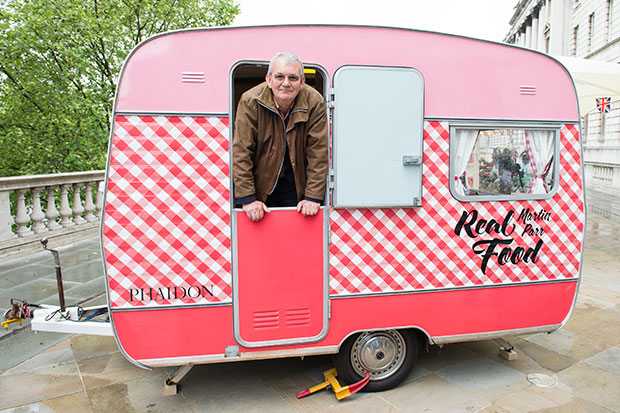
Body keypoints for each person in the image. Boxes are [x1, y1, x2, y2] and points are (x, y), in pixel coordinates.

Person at [232, 52, 328, 222]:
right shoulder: (250, 101)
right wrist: (247, 198)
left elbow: (318, 153)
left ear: (301, 82)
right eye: (279, 77)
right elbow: (241, 151)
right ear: (269, 80)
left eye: (292, 78)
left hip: (295, 185)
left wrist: (312, 197)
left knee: (295, 239)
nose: (286, 83)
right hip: (259, 184)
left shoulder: (315, 101)